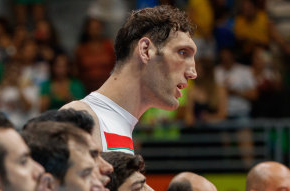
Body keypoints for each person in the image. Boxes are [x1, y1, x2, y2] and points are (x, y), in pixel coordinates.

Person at [62, 5, 197, 154]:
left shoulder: (118, 127)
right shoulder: (80, 119)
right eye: (182, 52)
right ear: (146, 50)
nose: (193, 73)